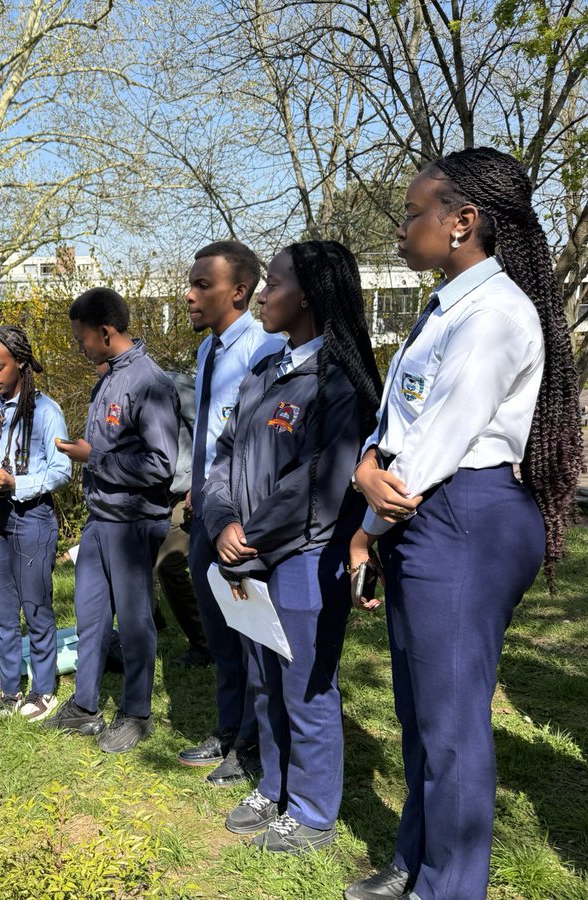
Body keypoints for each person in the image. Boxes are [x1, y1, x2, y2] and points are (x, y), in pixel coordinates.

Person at [345, 148, 582, 899]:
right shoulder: (446, 304)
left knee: (451, 726)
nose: (402, 229)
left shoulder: (496, 314)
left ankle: (449, 888)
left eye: (414, 214)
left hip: (464, 514)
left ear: (463, 222)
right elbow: (399, 420)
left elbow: (438, 442)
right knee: (422, 717)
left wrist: (365, 529)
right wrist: (364, 465)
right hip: (428, 511)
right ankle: (418, 862)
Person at [204, 241, 382, 852]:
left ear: (306, 295)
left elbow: (321, 481)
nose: (260, 294)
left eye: (272, 283)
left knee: (305, 686)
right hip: (248, 555)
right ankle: (275, 784)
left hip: (306, 556)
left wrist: (249, 533)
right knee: (263, 681)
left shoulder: (336, 380)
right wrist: (224, 516)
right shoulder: (264, 370)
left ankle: (310, 814)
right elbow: (223, 457)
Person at [45, 288, 180, 753]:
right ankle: (85, 706)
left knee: (135, 619)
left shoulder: (149, 382)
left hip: (133, 521)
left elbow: (162, 464)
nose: (81, 349)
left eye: (83, 340)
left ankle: (136, 713)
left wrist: (93, 457)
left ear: (105, 332)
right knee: (91, 615)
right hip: (100, 518)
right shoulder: (107, 379)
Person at [179, 241, 286, 784]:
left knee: (249, 633)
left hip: (241, 519)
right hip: (207, 507)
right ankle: (228, 729)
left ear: (238, 291)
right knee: (220, 629)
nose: (190, 294)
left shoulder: (262, 350)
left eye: (203, 284)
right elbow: (210, 433)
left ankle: (252, 743)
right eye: (191, 283)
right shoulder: (207, 352)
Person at [0, 326, 72, 720]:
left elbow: (63, 470)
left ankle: (43, 689)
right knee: (2, 610)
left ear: (20, 363)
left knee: (36, 606)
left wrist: (17, 483)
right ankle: (10, 689)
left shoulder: (45, 411)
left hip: (30, 517)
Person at [156, 370, 211, 667]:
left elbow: (206, 429)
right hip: (152, 494)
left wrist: (198, 481)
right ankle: (153, 626)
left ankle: (205, 644)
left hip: (184, 491)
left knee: (169, 563)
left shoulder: (173, 384)